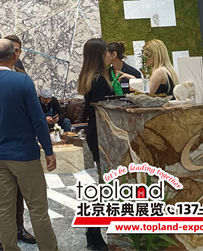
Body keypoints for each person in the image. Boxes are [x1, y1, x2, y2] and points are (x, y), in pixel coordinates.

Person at [0, 39, 58, 251]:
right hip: (24, 154)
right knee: (37, 207)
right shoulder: (23, 81)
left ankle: (10, 247)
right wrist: (48, 150)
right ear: (14, 56)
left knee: (5, 206)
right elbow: (38, 120)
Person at [0, 36, 36, 250]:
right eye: (13, 50)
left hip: (20, 142)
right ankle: (1, 232)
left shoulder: (22, 76)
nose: (16, 53)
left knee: (19, 188)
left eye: (18, 50)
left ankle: (18, 227)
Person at [77, 38, 114, 251]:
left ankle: (93, 231)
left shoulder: (90, 76)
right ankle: (94, 231)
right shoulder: (99, 79)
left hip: (96, 132)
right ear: (99, 54)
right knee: (105, 186)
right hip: (100, 134)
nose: (109, 54)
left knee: (104, 184)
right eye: (107, 51)